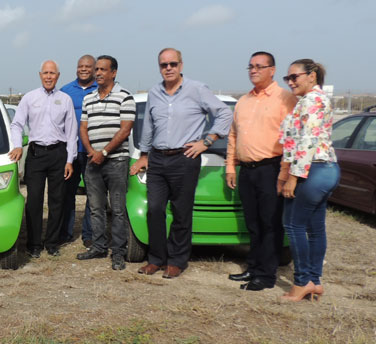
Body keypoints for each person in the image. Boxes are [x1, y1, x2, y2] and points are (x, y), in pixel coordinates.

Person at [130, 48, 232, 278]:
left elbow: (225, 114)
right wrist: (144, 154)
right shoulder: (154, 92)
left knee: (181, 212)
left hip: (184, 159)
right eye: (164, 65)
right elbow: (148, 126)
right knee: (154, 209)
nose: (168, 68)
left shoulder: (197, 89)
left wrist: (207, 141)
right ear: (159, 67)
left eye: (172, 64)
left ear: (181, 65)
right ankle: (156, 259)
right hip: (157, 158)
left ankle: (177, 261)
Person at [225, 52, 297, 291]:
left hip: (271, 169)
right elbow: (234, 136)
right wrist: (230, 167)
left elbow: (291, 140)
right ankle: (253, 267)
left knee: (270, 223)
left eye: (259, 66)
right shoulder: (243, 101)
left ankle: (266, 275)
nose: (253, 70)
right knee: (253, 224)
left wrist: (284, 174)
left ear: (272, 70)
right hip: (246, 170)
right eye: (250, 66)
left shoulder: (285, 99)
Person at [278, 59, 339, 301]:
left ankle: (302, 281)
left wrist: (293, 177)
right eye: (288, 78)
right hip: (324, 169)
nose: (291, 82)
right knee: (314, 229)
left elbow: (307, 142)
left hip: (313, 170)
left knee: (293, 225)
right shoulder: (310, 100)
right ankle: (315, 281)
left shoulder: (313, 100)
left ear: (312, 76)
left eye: (295, 77)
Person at [9, 60, 78, 258]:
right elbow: (17, 124)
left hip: (58, 154)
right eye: (45, 73)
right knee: (34, 201)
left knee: (57, 200)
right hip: (36, 154)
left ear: (58, 76)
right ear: (40, 75)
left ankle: (52, 243)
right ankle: (34, 244)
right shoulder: (30, 98)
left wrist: (70, 160)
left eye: (52, 73)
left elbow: (72, 132)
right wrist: (16, 145)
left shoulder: (65, 99)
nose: (49, 76)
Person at [75, 55, 134, 270]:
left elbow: (125, 129)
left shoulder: (125, 97)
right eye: (96, 69)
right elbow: (83, 128)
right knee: (95, 208)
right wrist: (92, 152)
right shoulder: (88, 98)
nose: (98, 73)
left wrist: (105, 152)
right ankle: (98, 247)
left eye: (102, 69)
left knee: (117, 209)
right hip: (93, 161)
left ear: (114, 72)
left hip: (116, 161)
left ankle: (118, 252)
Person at [59, 55, 97, 248]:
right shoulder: (65, 91)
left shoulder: (102, 90)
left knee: (93, 194)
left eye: (88, 66)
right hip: (70, 152)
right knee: (67, 193)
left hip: (92, 152)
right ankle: (65, 232)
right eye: (80, 66)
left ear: (95, 69)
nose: (84, 69)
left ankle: (89, 234)